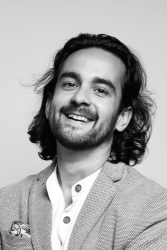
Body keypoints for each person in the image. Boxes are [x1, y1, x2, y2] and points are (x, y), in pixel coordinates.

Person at [0, 33, 167, 250]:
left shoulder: (153, 208)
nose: (80, 98)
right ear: (49, 105)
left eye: (100, 90)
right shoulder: (7, 201)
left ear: (122, 117)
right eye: (70, 84)